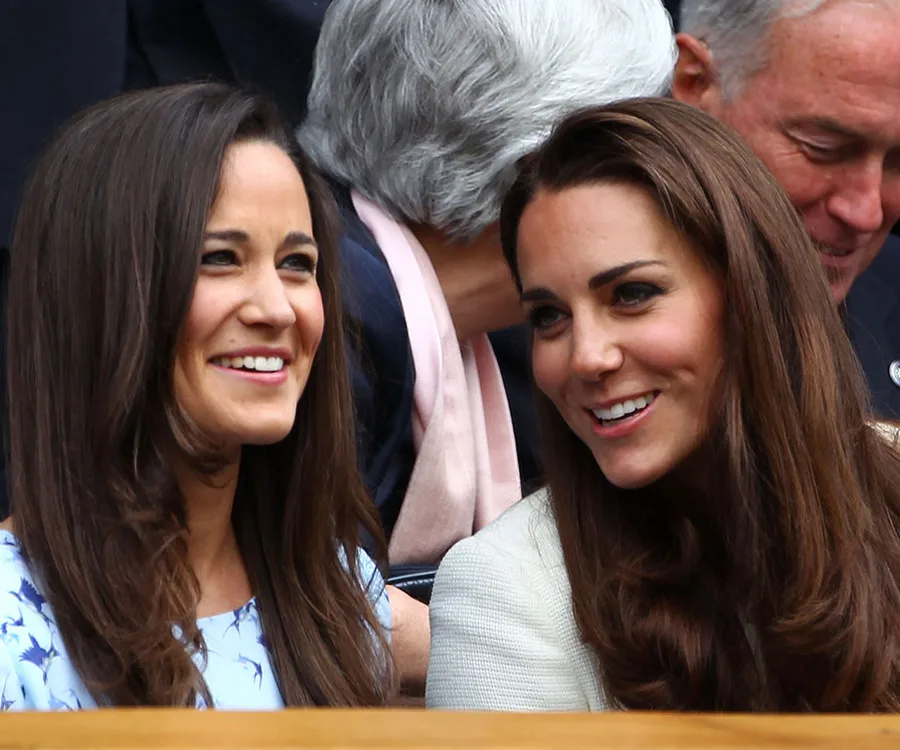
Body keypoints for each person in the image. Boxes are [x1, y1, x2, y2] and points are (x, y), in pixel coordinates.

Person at [427, 98, 900, 712]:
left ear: (750, 294)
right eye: (549, 317)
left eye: (632, 294)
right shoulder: (508, 589)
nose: (586, 357)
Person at [297, 0, 676, 689]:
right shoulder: (327, 309)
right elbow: (275, 600)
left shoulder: (445, 313)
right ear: (532, 165)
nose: (659, 180)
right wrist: (514, 636)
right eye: (629, 152)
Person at [0, 83, 391, 709]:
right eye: (219, 258)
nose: (275, 308)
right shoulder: (11, 626)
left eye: (297, 263)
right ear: (103, 295)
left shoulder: (340, 595)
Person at [672, 0, 900, 418]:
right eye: (824, 148)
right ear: (696, 84)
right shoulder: (550, 347)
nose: (866, 213)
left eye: (899, 162)